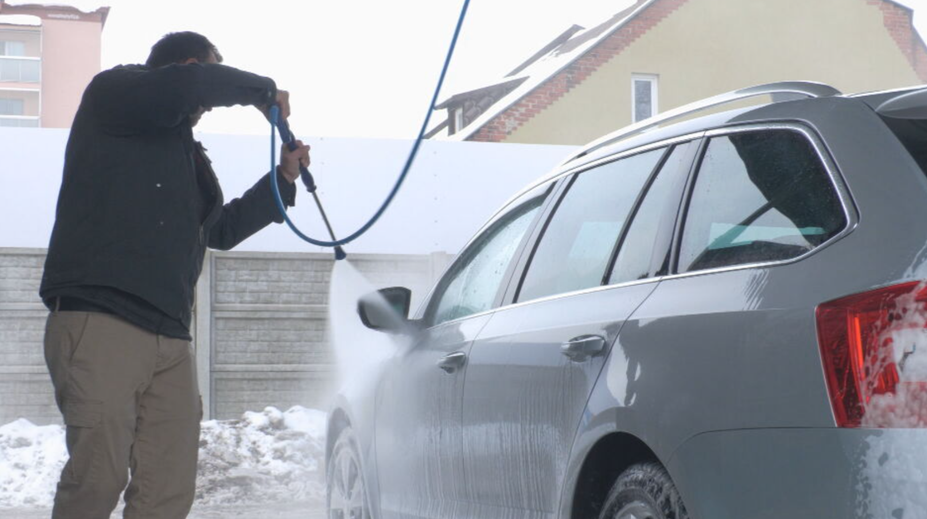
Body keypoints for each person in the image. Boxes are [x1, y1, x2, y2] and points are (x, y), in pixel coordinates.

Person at [38, 31, 310, 519]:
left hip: (169, 336)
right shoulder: (115, 96)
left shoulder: (188, 157)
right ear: (186, 66)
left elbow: (219, 230)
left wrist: (283, 178)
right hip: (100, 321)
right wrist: (261, 90)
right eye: (204, 76)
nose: (204, 106)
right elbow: (187, 87)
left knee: (168, 487)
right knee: (97, 479)